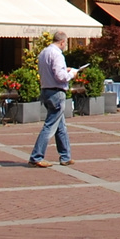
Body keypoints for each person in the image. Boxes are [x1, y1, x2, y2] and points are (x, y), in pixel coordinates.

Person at [30, 31, 77, 167]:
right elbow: (60, 77)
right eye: (66, 43)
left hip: (46, 89)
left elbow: (51, 71)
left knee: (60, 125)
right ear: (62, 42)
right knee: (50, 125)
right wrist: (72, 74)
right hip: (56, 92)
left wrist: (64, 70)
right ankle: (36, 156)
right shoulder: (57, 54)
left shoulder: (44, 52)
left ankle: (65, 156)